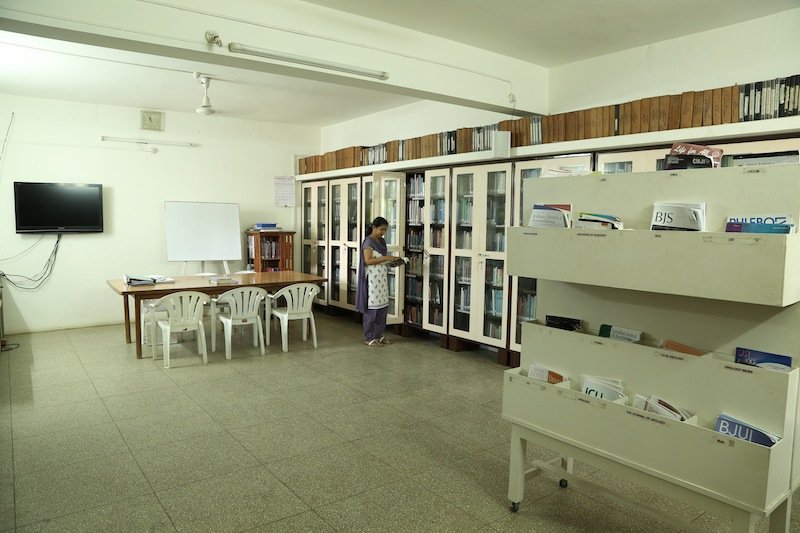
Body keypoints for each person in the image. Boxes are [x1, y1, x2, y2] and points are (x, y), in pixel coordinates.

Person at [356, 216, 399, 347]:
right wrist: (386, 258)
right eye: (381, 229)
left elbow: (381, 259)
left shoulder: (382, 241)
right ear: (374, 227)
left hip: (382, 279)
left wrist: (393, 262)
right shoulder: (368, 242)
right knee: (372, 309)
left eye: (385, 230)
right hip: (372, 280)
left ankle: (379, 335)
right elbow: (368, 260)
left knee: (382, 308)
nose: (383, 232)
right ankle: (369, 337)